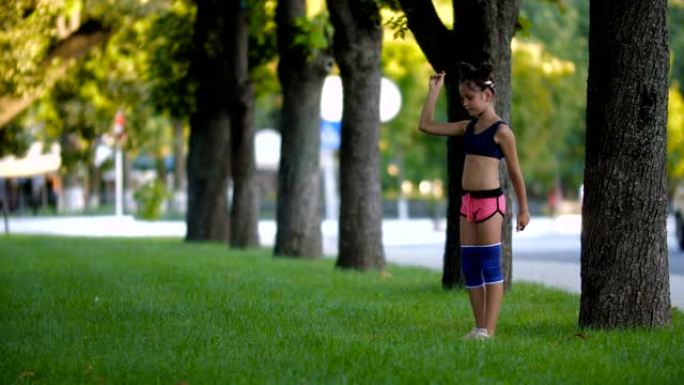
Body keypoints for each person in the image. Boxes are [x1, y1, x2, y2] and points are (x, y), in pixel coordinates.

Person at [418, 63, 530, 340]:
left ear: (488, 96)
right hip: (467, 203)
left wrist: (523, 210)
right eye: (462, 98)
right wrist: (433, 92)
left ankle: (489, 332)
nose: (465, 103)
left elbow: (515, 173)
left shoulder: (502, 132)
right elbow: (426, 125)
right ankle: (479, 327)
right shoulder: (466, 128)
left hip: (490, 204)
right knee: (469, 267)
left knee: (490, 265)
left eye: (470, 97)